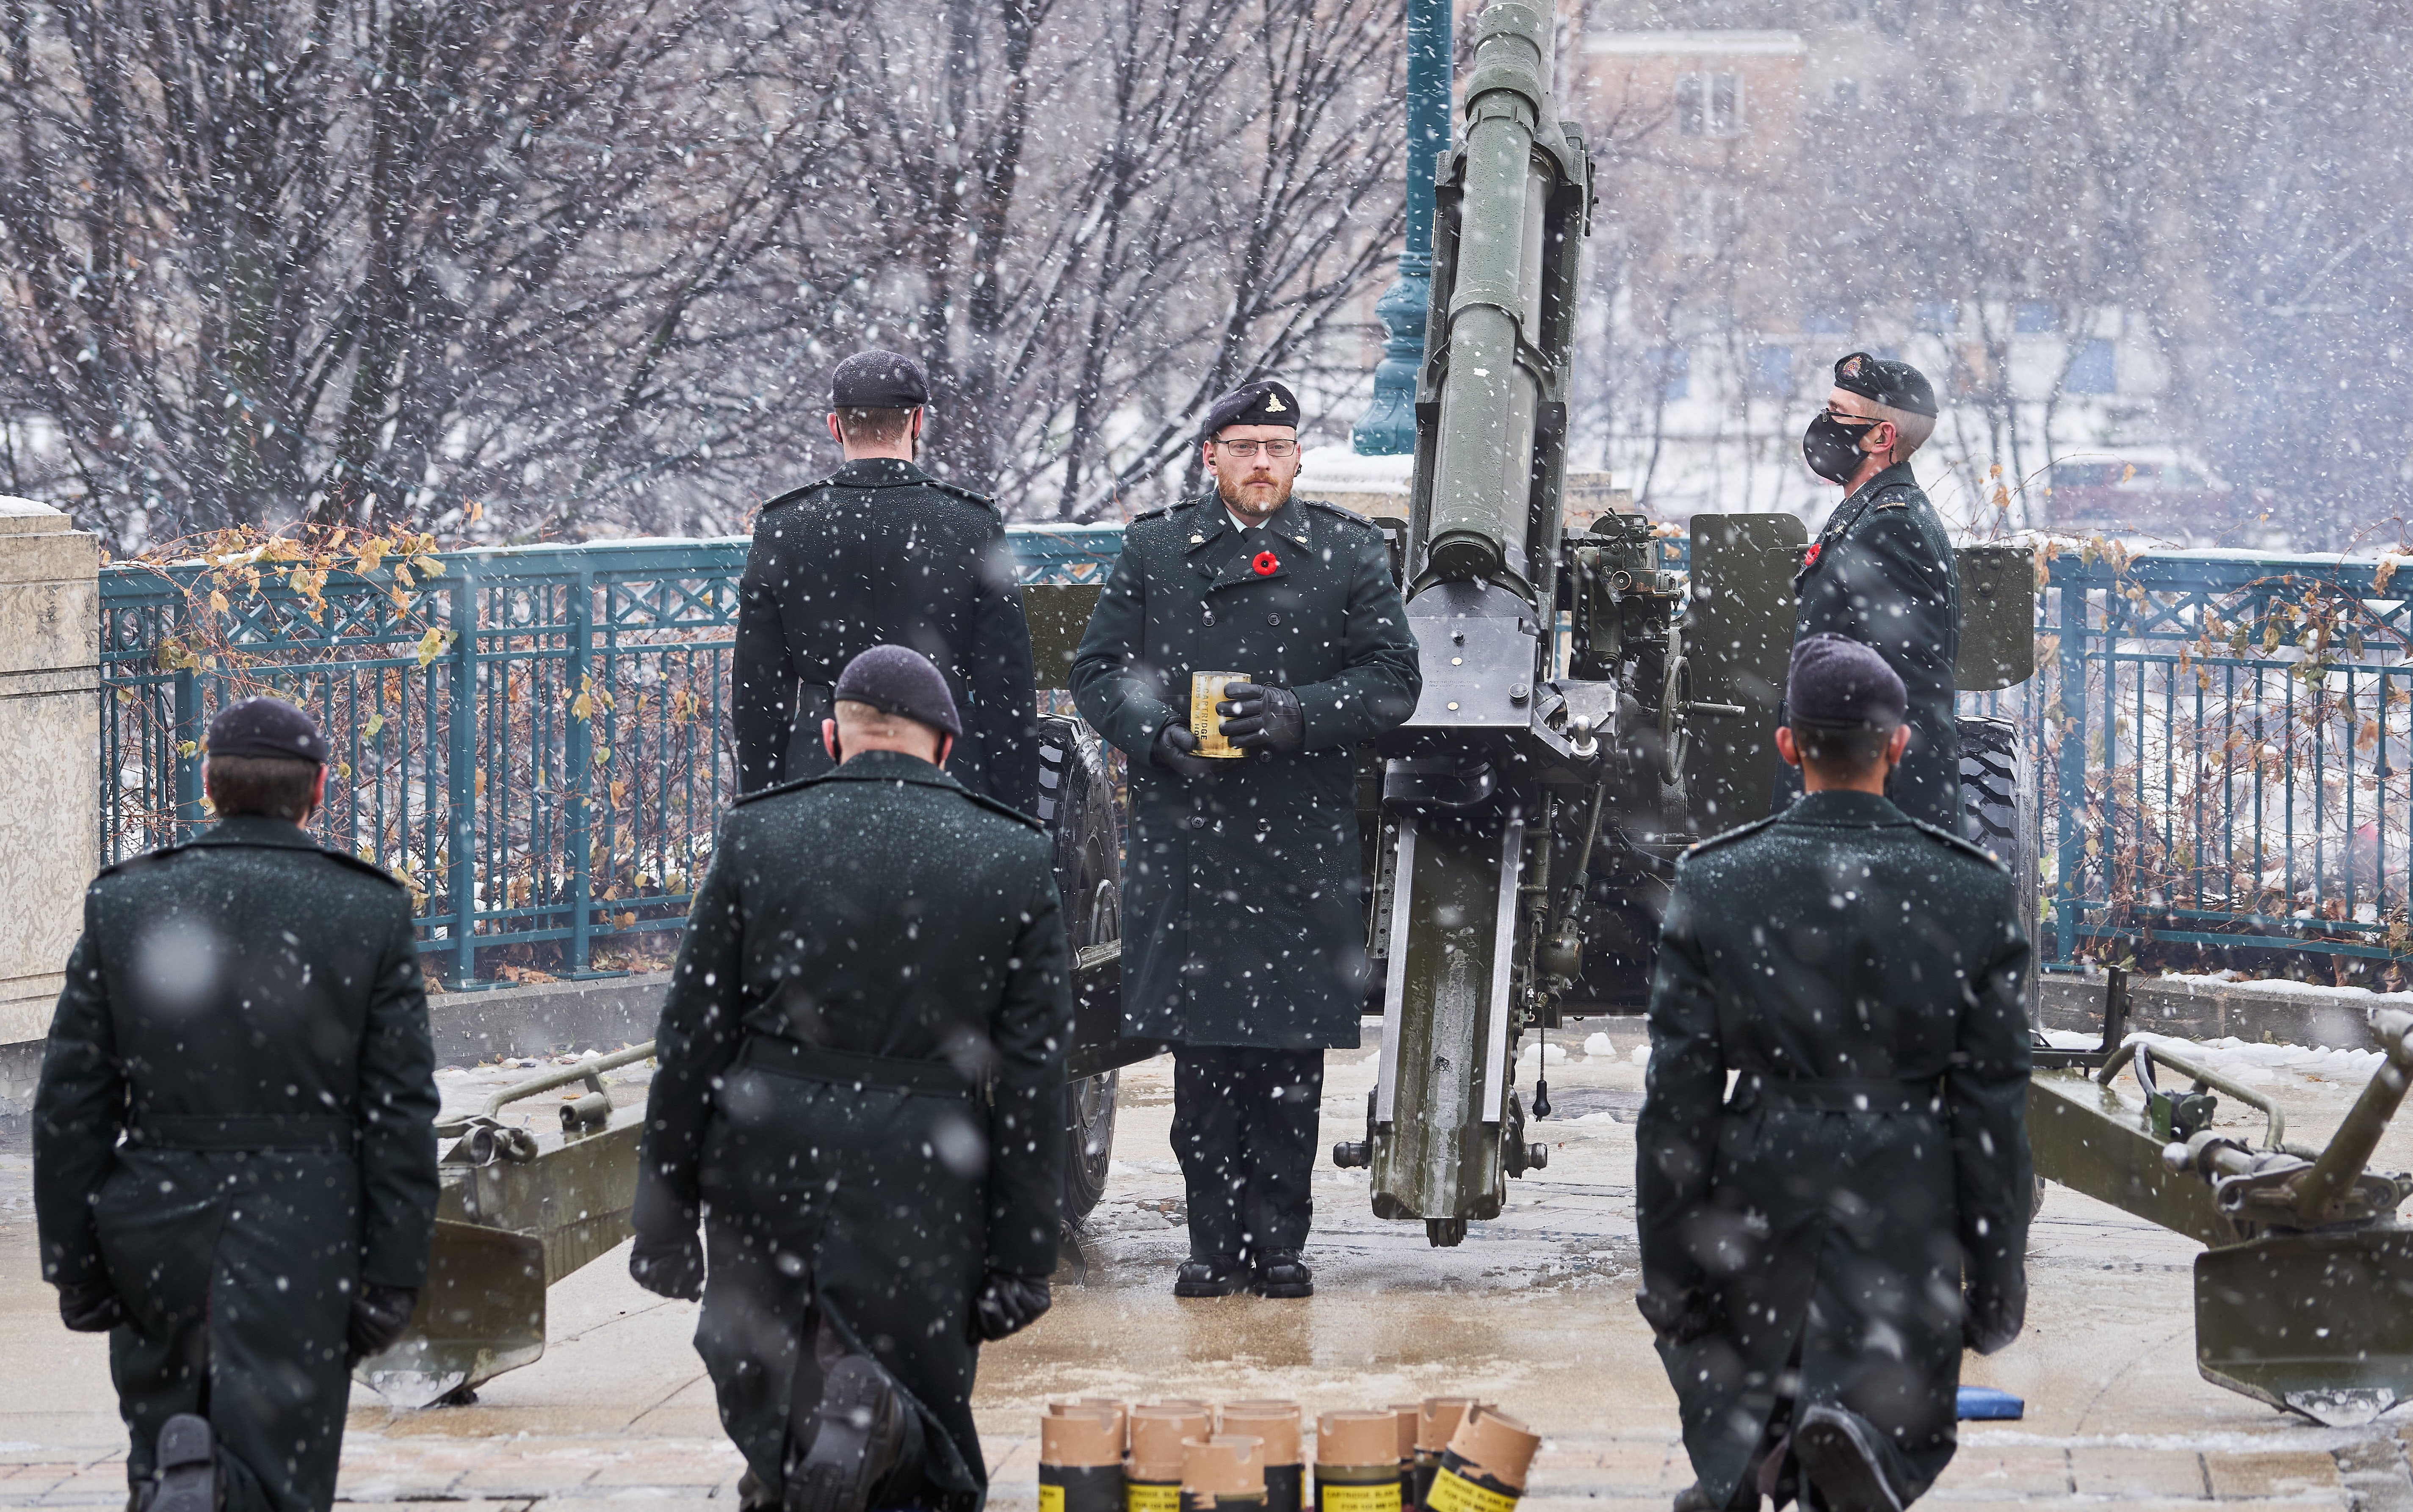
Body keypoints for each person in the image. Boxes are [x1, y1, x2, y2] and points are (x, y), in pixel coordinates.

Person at [629, 645, 1070, 1512]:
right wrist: (1023, 1254)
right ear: (946, 747)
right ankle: (883, 1426)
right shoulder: (1011, 857)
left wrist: (665, 1215)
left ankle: (833, 1439)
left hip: (765, 1147)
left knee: (768, 1374)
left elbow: (690, 1039)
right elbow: (1034, 1079)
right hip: (924, 1164)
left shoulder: (755, 834)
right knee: (916, 1409)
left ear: (834, 737)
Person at [1636, 634, 2032, 1512]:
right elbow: (1992, 1110)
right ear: (1898, 745)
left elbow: (1675, 1106)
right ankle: (1829, 1454)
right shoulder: (1969, 890)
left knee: (1741, 1400)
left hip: (1756, 1196)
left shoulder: (1716, 882)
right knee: (1878, 1421)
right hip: (1905, 1206)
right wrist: (1993, 1277)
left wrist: (1666, 1270)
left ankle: (1761, 1459)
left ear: (1787, 744)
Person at [33, 697, 439, 1512]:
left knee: (164, 1452)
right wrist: (393, 1273)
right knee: (286, 1468)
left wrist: (75, 1260)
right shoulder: (367, 908)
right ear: (318, 788)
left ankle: (183, 1481)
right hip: (304, 1231)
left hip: (157, 1227)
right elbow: (399, 1111)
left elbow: (71, 1101)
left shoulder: (129, 901)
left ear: (209, 786)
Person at [1069, 378, 1421, 1300]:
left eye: (1275, 447)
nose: (1259, 463)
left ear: (1297, 457)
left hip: (1296, 843)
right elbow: (1098, 670)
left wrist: (1299, 714)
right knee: (1203, 1062)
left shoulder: (1344, 552)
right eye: (1242, 447)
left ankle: (1280, 1244)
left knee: (1288, 1063)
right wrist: (1153, 732)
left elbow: (1393, 680)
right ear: (1210, 458)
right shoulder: (1155, 549)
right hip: (1191, 843)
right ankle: (1209, 1241)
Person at [732, 348, 1041, 810]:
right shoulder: (970, 523)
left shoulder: (785, 526)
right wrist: (1016, 814)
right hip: (947, 774)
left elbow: (758, 698)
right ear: (917, 423)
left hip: (818, 778)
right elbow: (1006, 690)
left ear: (835, 426)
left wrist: (760, 812)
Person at [1779, 352, 1961, 831]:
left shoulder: (1889, 528)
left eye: (1837, 414)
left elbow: (1912, 705)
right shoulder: (1868, 514)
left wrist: (1907, 846)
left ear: (1881, 437)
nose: (1822, 424)